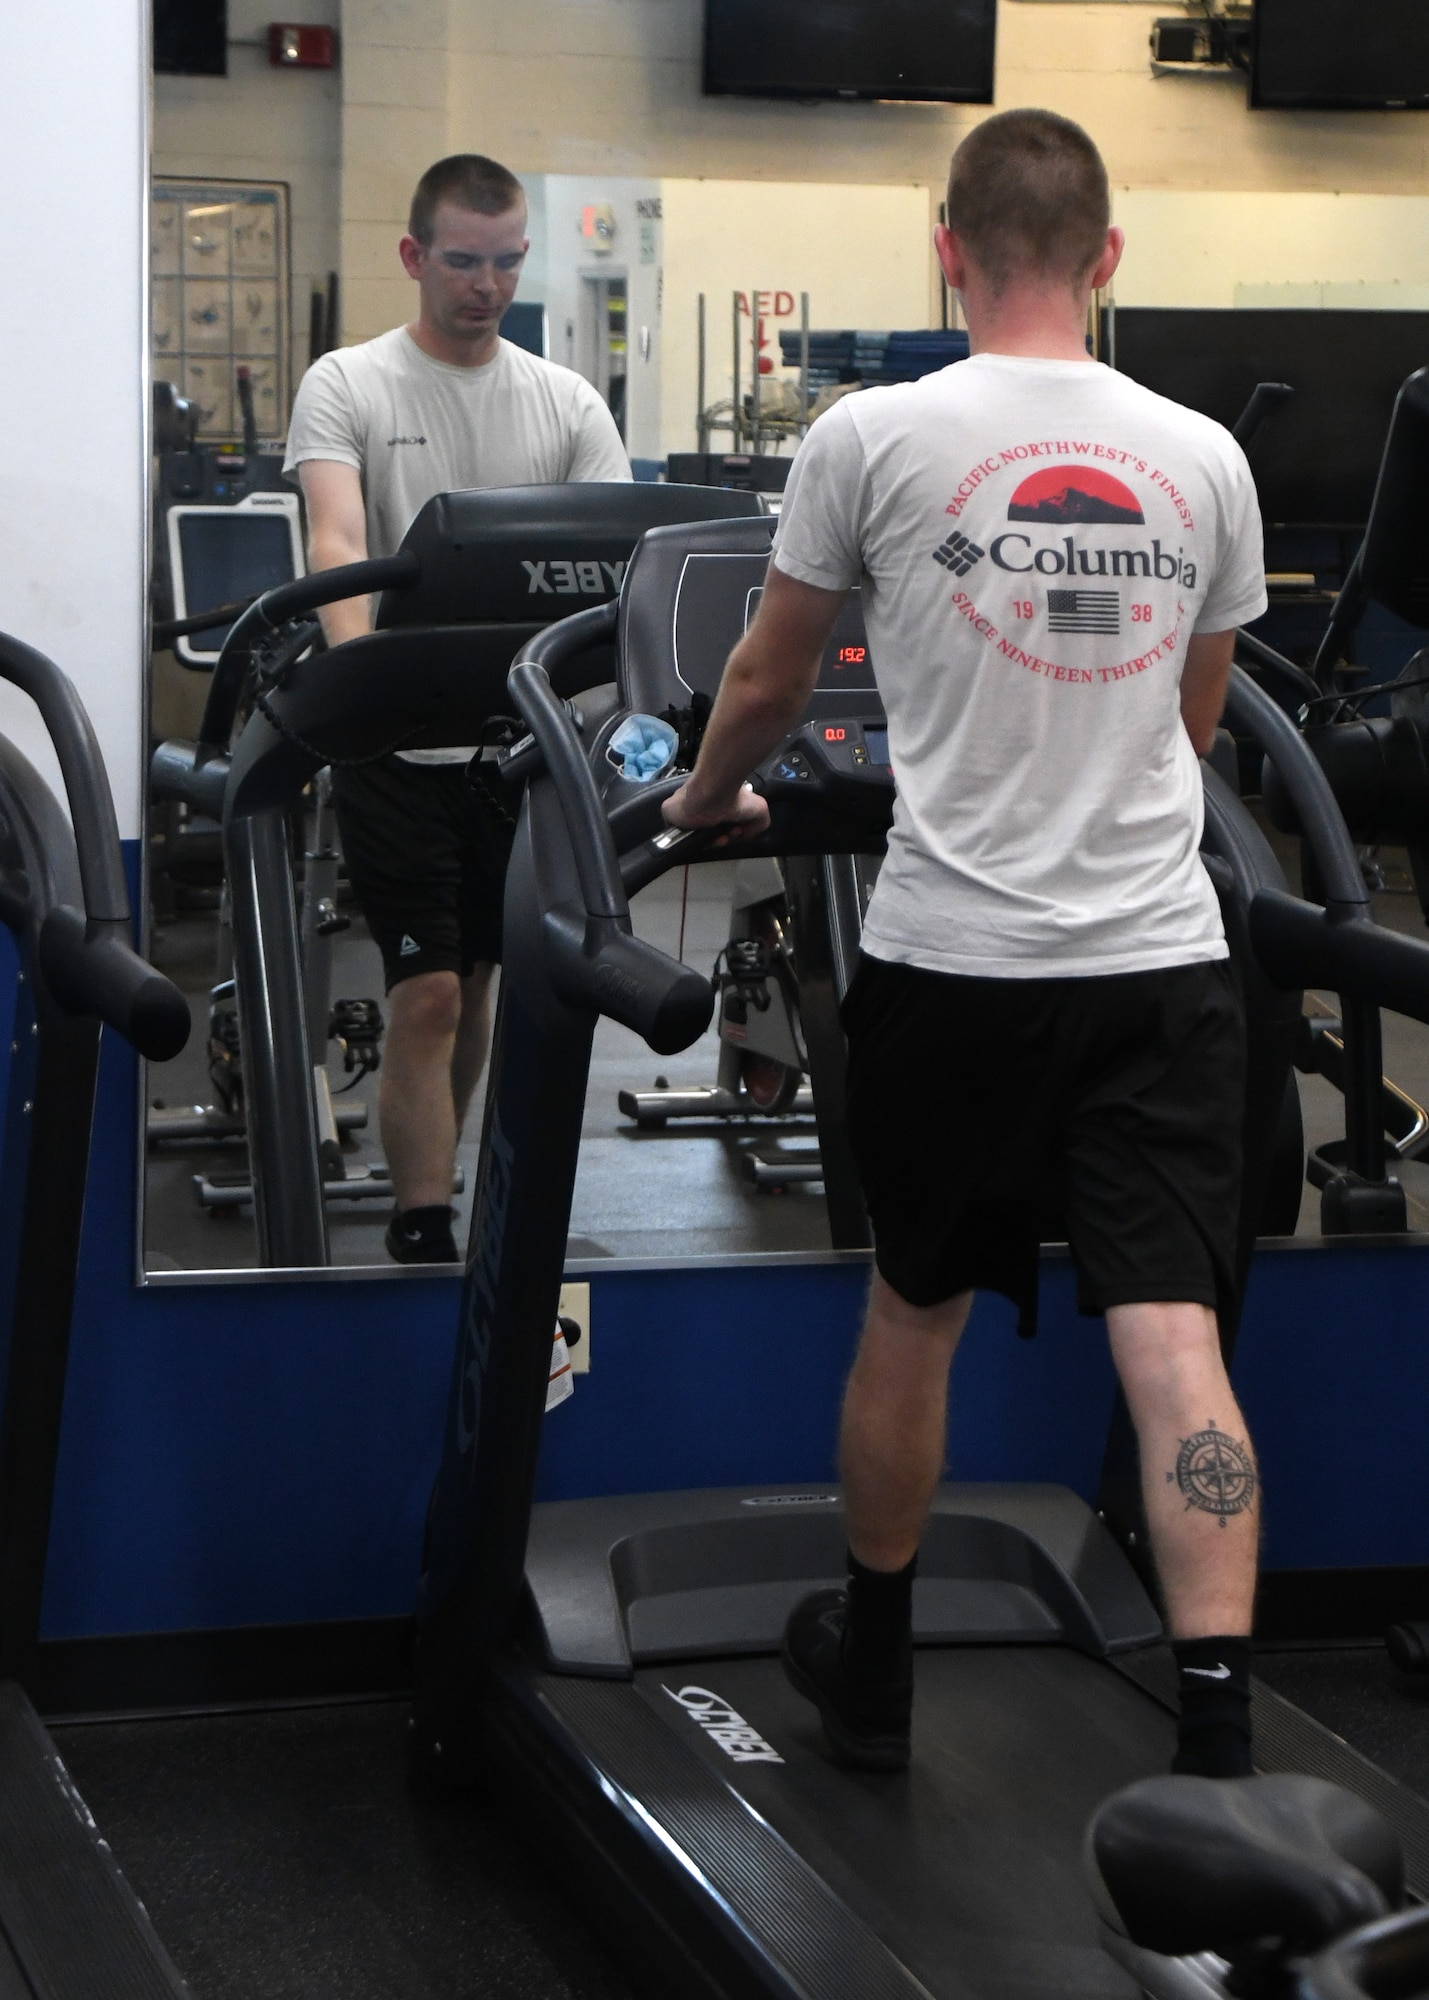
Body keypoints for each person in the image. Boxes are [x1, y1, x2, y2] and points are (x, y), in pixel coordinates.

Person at [662, 109, 1267, 1781]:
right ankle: (1214, 1734)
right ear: (1107, 258)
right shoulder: (1199, 458)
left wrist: (708, 798)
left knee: (910, 1311)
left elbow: (771, 684)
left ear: (946, 249)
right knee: (1168, 1343)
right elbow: (1189, 723)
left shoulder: (872, 439)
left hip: (952, 967)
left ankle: (870, 1662)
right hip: (1154, 966)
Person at [285, 154, 630, 1264]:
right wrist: (363, 694)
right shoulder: (349, 382)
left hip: (518, 750)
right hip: (394, 739)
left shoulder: (565, 402)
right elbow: (337, 540)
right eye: (463, 261)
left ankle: (450, 1187)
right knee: (427, 992)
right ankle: (420, 1223)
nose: (486, 285)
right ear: (414, 257)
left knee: (478, 985)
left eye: (506, 263)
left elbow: (617, 565)